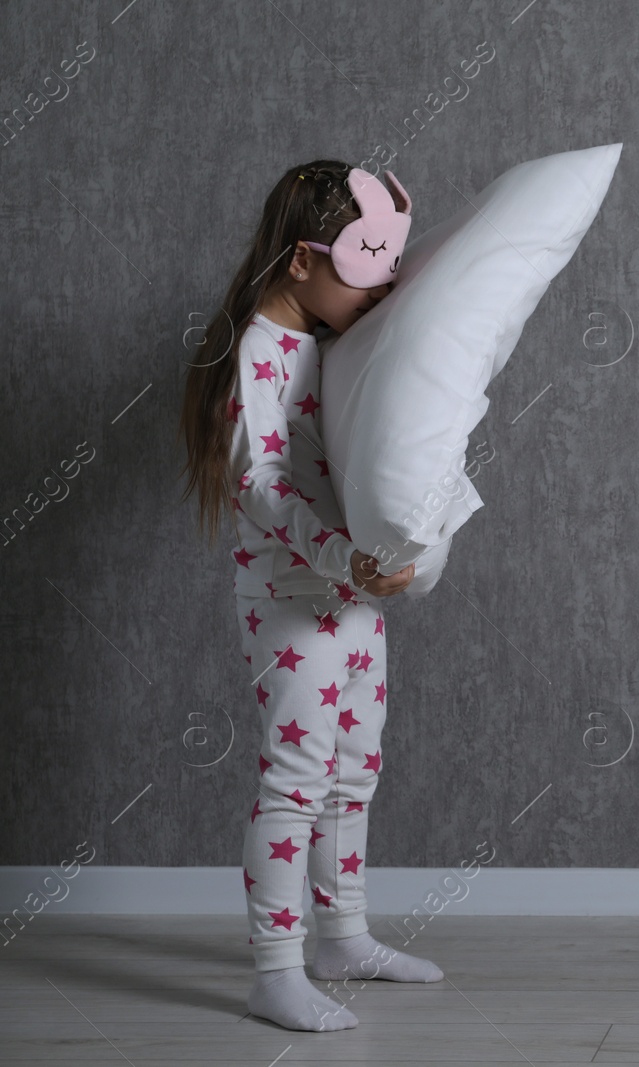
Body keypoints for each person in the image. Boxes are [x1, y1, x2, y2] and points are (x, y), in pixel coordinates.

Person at [178, 160, 441, 1032]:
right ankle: (276, 964)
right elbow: (261, 485)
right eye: (362, 269)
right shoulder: (258, 349)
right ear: (302, 260)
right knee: (296, 778)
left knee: (354, 774)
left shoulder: (324, 345)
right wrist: (345, 558)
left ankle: (344, 933)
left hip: (351, 594)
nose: (378, 290)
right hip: (295, 598)